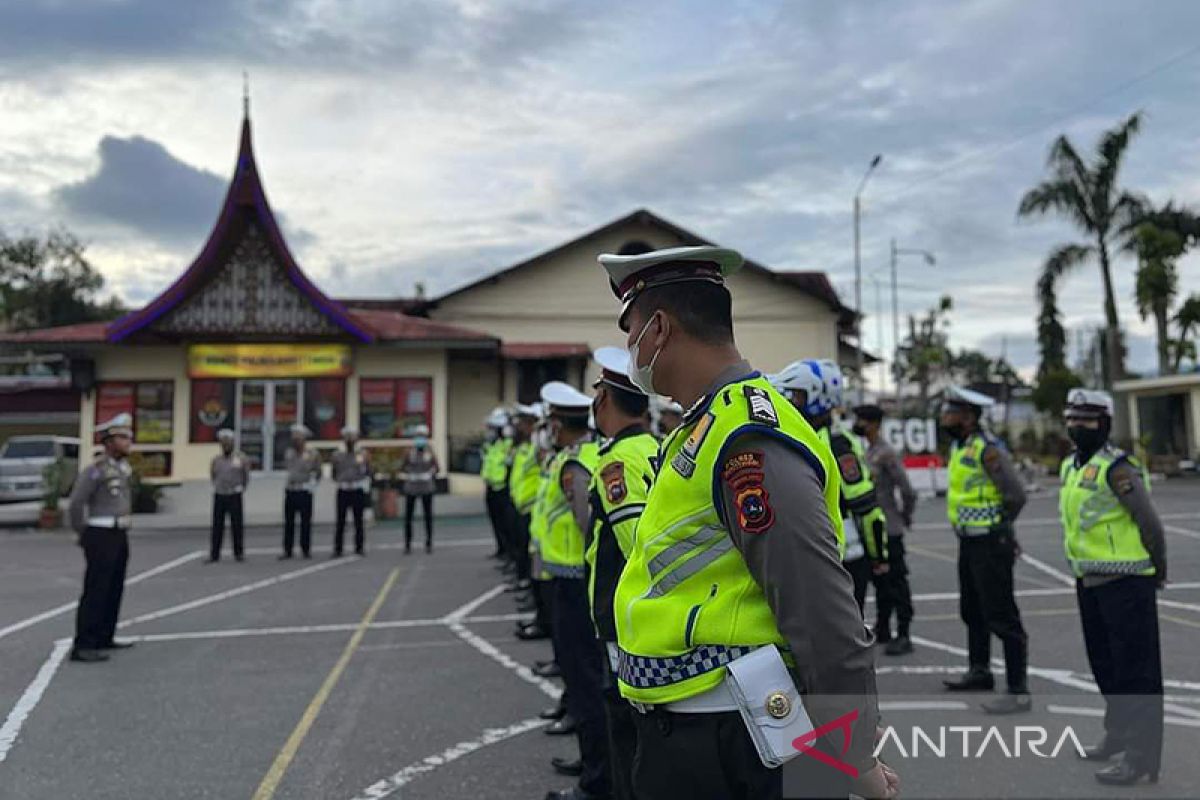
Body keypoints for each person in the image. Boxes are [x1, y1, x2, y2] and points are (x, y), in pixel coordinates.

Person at [599, 245, 898, 800]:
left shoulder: (748, 439)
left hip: (731, 741)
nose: (629, 349)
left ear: (659, 328)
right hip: (689, 733)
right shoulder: (701, 428)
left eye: (631, 329)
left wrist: (852, 754)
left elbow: (821, 610)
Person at [1059, 389, 1165, 786]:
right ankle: (1117, 735)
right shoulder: (1072, 466)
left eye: (1085, 421)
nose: (1076, 427)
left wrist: (1159, 568)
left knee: (1137, 672)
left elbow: (1149, 523)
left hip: (1127, 580)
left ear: (1104, 424)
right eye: (1072, 420)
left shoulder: (1118, 468)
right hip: (1090, 579)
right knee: (1105, 665)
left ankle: (1141, 757)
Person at [586, 346, 657, 800]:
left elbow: (638, 549)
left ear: (604, 401)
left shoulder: (619, 461)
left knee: (626, 730)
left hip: (625, 617)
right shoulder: (653, 446)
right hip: (642, 617)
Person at [769, 359, 889, 613]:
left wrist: (878, 556)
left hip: (844, 559)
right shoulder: (799, 435)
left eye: (798, 396)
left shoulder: (836, 444)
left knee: (839, 638)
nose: (791, 402)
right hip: (813, 556)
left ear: (817, 398)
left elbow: (866, 507)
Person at [939, 385, 1030, 714]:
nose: (944, 418)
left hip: (990, 542)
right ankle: (980, 671)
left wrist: (1001, 529)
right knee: (972, 609)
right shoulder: (960, 447)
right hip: (968, 541)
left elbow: (1015, 495)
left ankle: (1018, 689)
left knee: (1002, 615)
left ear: (967, 417)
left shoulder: (987, 450)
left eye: (951, 413)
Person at [539, 381, 608, 800]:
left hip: (576, 580)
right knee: (582, 677)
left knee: (584, 680)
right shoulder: (577, 456)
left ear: (559, 424)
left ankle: (597, 777)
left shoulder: (577, 464)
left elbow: (586, 525)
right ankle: (593, 764)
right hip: (570, 578)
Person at [67, 413, 136, 663]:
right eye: (122, 437)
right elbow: (76, 503)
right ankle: (84, 644)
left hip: (119, 532)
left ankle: (105, 636)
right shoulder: (96, 470)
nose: (128, 442)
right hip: (100, 533)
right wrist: (82, 533)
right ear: (108, 441)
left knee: (114, 587)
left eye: (129, 437)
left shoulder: (121, 469)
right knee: (96, 589)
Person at [852, 404, 918, 655]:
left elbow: (907, 489)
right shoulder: (861, 450)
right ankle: (882, 628)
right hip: (869, 530)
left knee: (896, 582)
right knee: (877, 581)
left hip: (888, 527)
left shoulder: (886, 452)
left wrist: (904, 517)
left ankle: (903, 633)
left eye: (862, 420)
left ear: (875, 424)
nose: (858, 424)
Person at [208, 428, 249, 563]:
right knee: (217, 526)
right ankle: (214, 554)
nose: (226, 445)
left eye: (228, 442)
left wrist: (241, 488)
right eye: (223, 443)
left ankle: (238, 553)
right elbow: (213, 476)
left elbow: (245, 476)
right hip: (220, 494)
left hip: (234, 494)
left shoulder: (241, 458)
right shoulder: (216, 460)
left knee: (237, 525)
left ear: (233, 443)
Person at [282, 424, 321, 560]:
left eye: (299, 437)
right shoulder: (288, 452)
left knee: (305, 522)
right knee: (289, 522)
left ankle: (305, 549)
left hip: (305, 490)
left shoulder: (312, 454)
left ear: (304, 438)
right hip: (291, 489)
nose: (296, 440)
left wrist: (313, 484)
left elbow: (318, 471)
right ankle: (288, 550)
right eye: (294, 437)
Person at [331, 426, 370, 557]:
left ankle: (359, 547)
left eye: (352, 437)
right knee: (340, 521)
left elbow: (368, 470)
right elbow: (334, 472)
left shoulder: (362, 454)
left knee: (358, 521)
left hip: (357, 488)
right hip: (343, 489)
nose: (350, 440)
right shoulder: (337, 455)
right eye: (347, 437)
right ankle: (338, 549)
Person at [401, 424, 440, 554]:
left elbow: (437, 468)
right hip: (411, 487)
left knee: (428, 516)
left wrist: (431, 473)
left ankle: (429, 543)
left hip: (426, 486)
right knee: (408, 517)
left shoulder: (430, 451)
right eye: (418, 436)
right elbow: (402, 466)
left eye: (422, 436)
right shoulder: (409, 451)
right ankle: (407, 544)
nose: (420, 439)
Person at [481, 408, 514, 560]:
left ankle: (508, 551)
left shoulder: (508, 445)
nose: (490, 431)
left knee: (506, 524)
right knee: (496, 522)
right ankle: (501, 549)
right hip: (491, 487)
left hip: (504, 489)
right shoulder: (491, 445)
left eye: (493, 428)